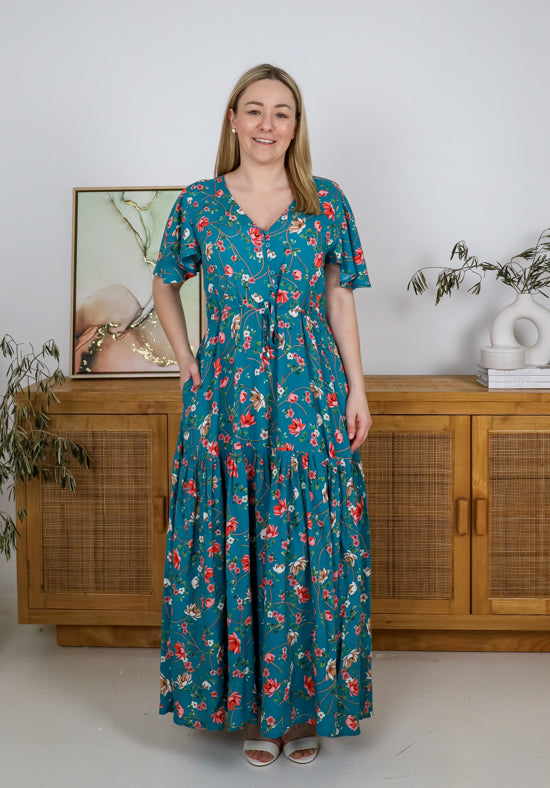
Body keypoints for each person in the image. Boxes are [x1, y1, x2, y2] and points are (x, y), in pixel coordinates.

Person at [152, 63, 373, 767]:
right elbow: (164, 284)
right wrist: (186, 359)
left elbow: (340, 298)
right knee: (235, 539)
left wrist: (358, 389)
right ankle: (252, 708)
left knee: (307, 545)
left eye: (282, 112)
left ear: (296, 125)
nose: (267, 124)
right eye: (254, 110)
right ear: (233, 119)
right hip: (225, 397)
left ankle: (302, 708)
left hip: (309, 391)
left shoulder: (325, 201)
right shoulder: (200, 203)